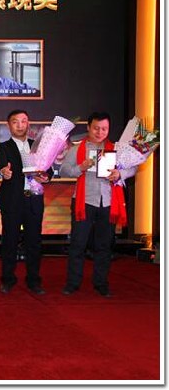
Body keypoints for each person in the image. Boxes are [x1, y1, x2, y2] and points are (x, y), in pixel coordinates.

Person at [59, 112, 136, 297]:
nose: (100, 132)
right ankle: (72, 283)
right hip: (83, 201)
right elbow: (63, 170)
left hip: (108, 201)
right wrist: (81, 167)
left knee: (104, 245)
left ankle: (101, 283)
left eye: (104, 129)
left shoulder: (116, 148)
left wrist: (120, 174)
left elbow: (132, 168)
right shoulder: (77, 149)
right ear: (88, 127)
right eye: (96, 128)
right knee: (78, 244)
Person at [0, 110, 53, 295]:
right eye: (15, 122)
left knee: (34, 242)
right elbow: (2, 165)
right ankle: (7, 280)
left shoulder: (38, 146)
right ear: (9, 125)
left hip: (33, 199)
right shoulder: (2, 147)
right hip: (12, 200)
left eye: (23, 121)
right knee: (9, 242)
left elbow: (49, 170)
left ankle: (34, 280)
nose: (20, 125)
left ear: (28, 124)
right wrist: (5, 172)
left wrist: (45, 177)